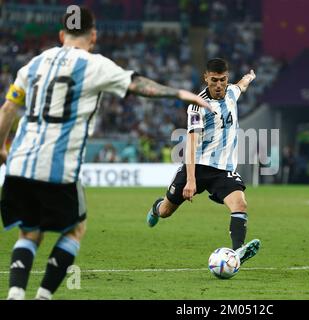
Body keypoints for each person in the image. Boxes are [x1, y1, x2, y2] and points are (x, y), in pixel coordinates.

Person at [0, 7, 209, 300]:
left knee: (29, 233)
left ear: (62, 35)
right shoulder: (95, 65)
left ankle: (15, 293)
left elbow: (8, 108)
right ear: (94, 36)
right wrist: (179, 93)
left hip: (19, 165)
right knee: (75, 230)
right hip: (57, 167)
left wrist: (0, 148)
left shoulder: (32, 65)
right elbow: (137, 85)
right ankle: (43, 295)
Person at [146, 58, 260, 265]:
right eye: (214, 80)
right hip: (197, 167)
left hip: (223, 170)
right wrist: (190, 180)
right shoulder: (197, 107)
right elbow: (191, 144)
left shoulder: (232, 91)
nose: (218, 85)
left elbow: (241, 86)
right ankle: (156, 208)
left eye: (223, 80)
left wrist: (249, 77)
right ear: (206, 78)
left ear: (227, 79)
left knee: (240, 204)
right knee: (166, 211)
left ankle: (237, 253)